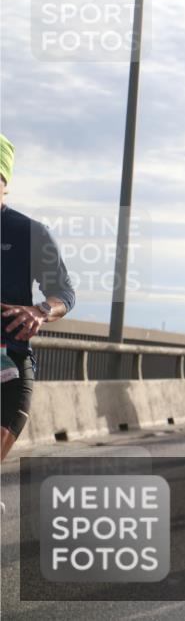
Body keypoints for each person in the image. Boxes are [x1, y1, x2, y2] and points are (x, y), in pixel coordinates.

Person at [1, 133, 76, 462]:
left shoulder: (29, 232)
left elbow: (63, 293)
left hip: (8, 361)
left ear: (5, 181)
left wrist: (41, 310)